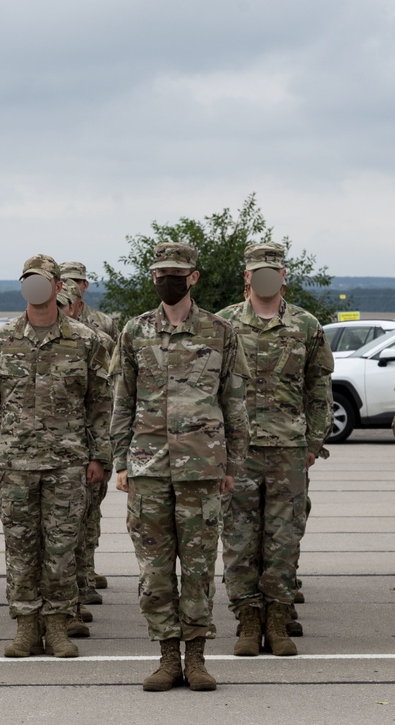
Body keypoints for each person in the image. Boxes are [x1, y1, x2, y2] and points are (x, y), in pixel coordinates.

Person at [111, 241, 250, 692]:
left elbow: (234, 404)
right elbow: (122, 402)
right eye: (159, 273)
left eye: (176, 272)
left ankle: (196, 658)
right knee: (153, 568)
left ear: (193, 277)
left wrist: (233, 463)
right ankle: (166, 656)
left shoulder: (220, 331)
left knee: (197, 566)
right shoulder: (135, 331)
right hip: (148, 467)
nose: (167, 280)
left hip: (202, 468)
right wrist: (120, 462)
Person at [0, 254, 112, 659]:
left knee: (62, 549)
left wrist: (98, 456)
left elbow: (100, 404)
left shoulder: (86, 341)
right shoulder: (0, 341)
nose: (33, 288)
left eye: (41, 281)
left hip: (67, 463)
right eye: (26, 281)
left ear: (56, 288)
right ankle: (26, 627)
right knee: (19, 549)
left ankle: (58, 625)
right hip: (15, 465)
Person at [216, 242, 333, 657]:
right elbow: (211, 390)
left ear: (284, 276)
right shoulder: (224, 325)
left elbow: (319, 390)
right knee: (239, 539)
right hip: (240, 451)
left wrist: (313, 443)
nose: (266, 277)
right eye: (257, 270)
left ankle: (278, 619)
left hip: (288, 450)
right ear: (247, 276)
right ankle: (248, 620)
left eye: (274, 270)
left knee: (284, 540)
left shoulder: (305, 325)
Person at [57, 279, 115, 634]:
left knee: (80, 527)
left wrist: (106, 454)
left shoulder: (99, 341)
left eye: (69, 303)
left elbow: (107, 403)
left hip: (83, 451)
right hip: (43, 457)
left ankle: (77, 597)